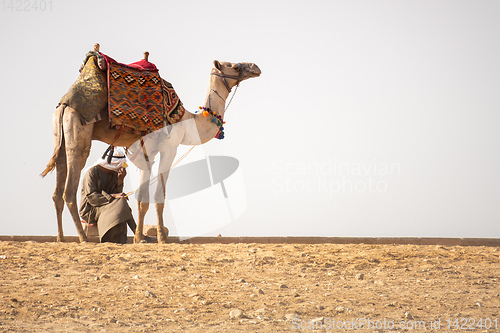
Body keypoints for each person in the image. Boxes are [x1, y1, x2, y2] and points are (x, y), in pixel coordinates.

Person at [79, 147, 137, 244]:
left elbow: (115, 194)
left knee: (122, 204)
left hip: (106, 205)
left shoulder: (114, 174)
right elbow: (92, 197)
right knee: (121, 203)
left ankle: (134, 234)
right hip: (91, 209)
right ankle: (137, 233)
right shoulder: (91, 173)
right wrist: (114, 196)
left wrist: (120, 181)